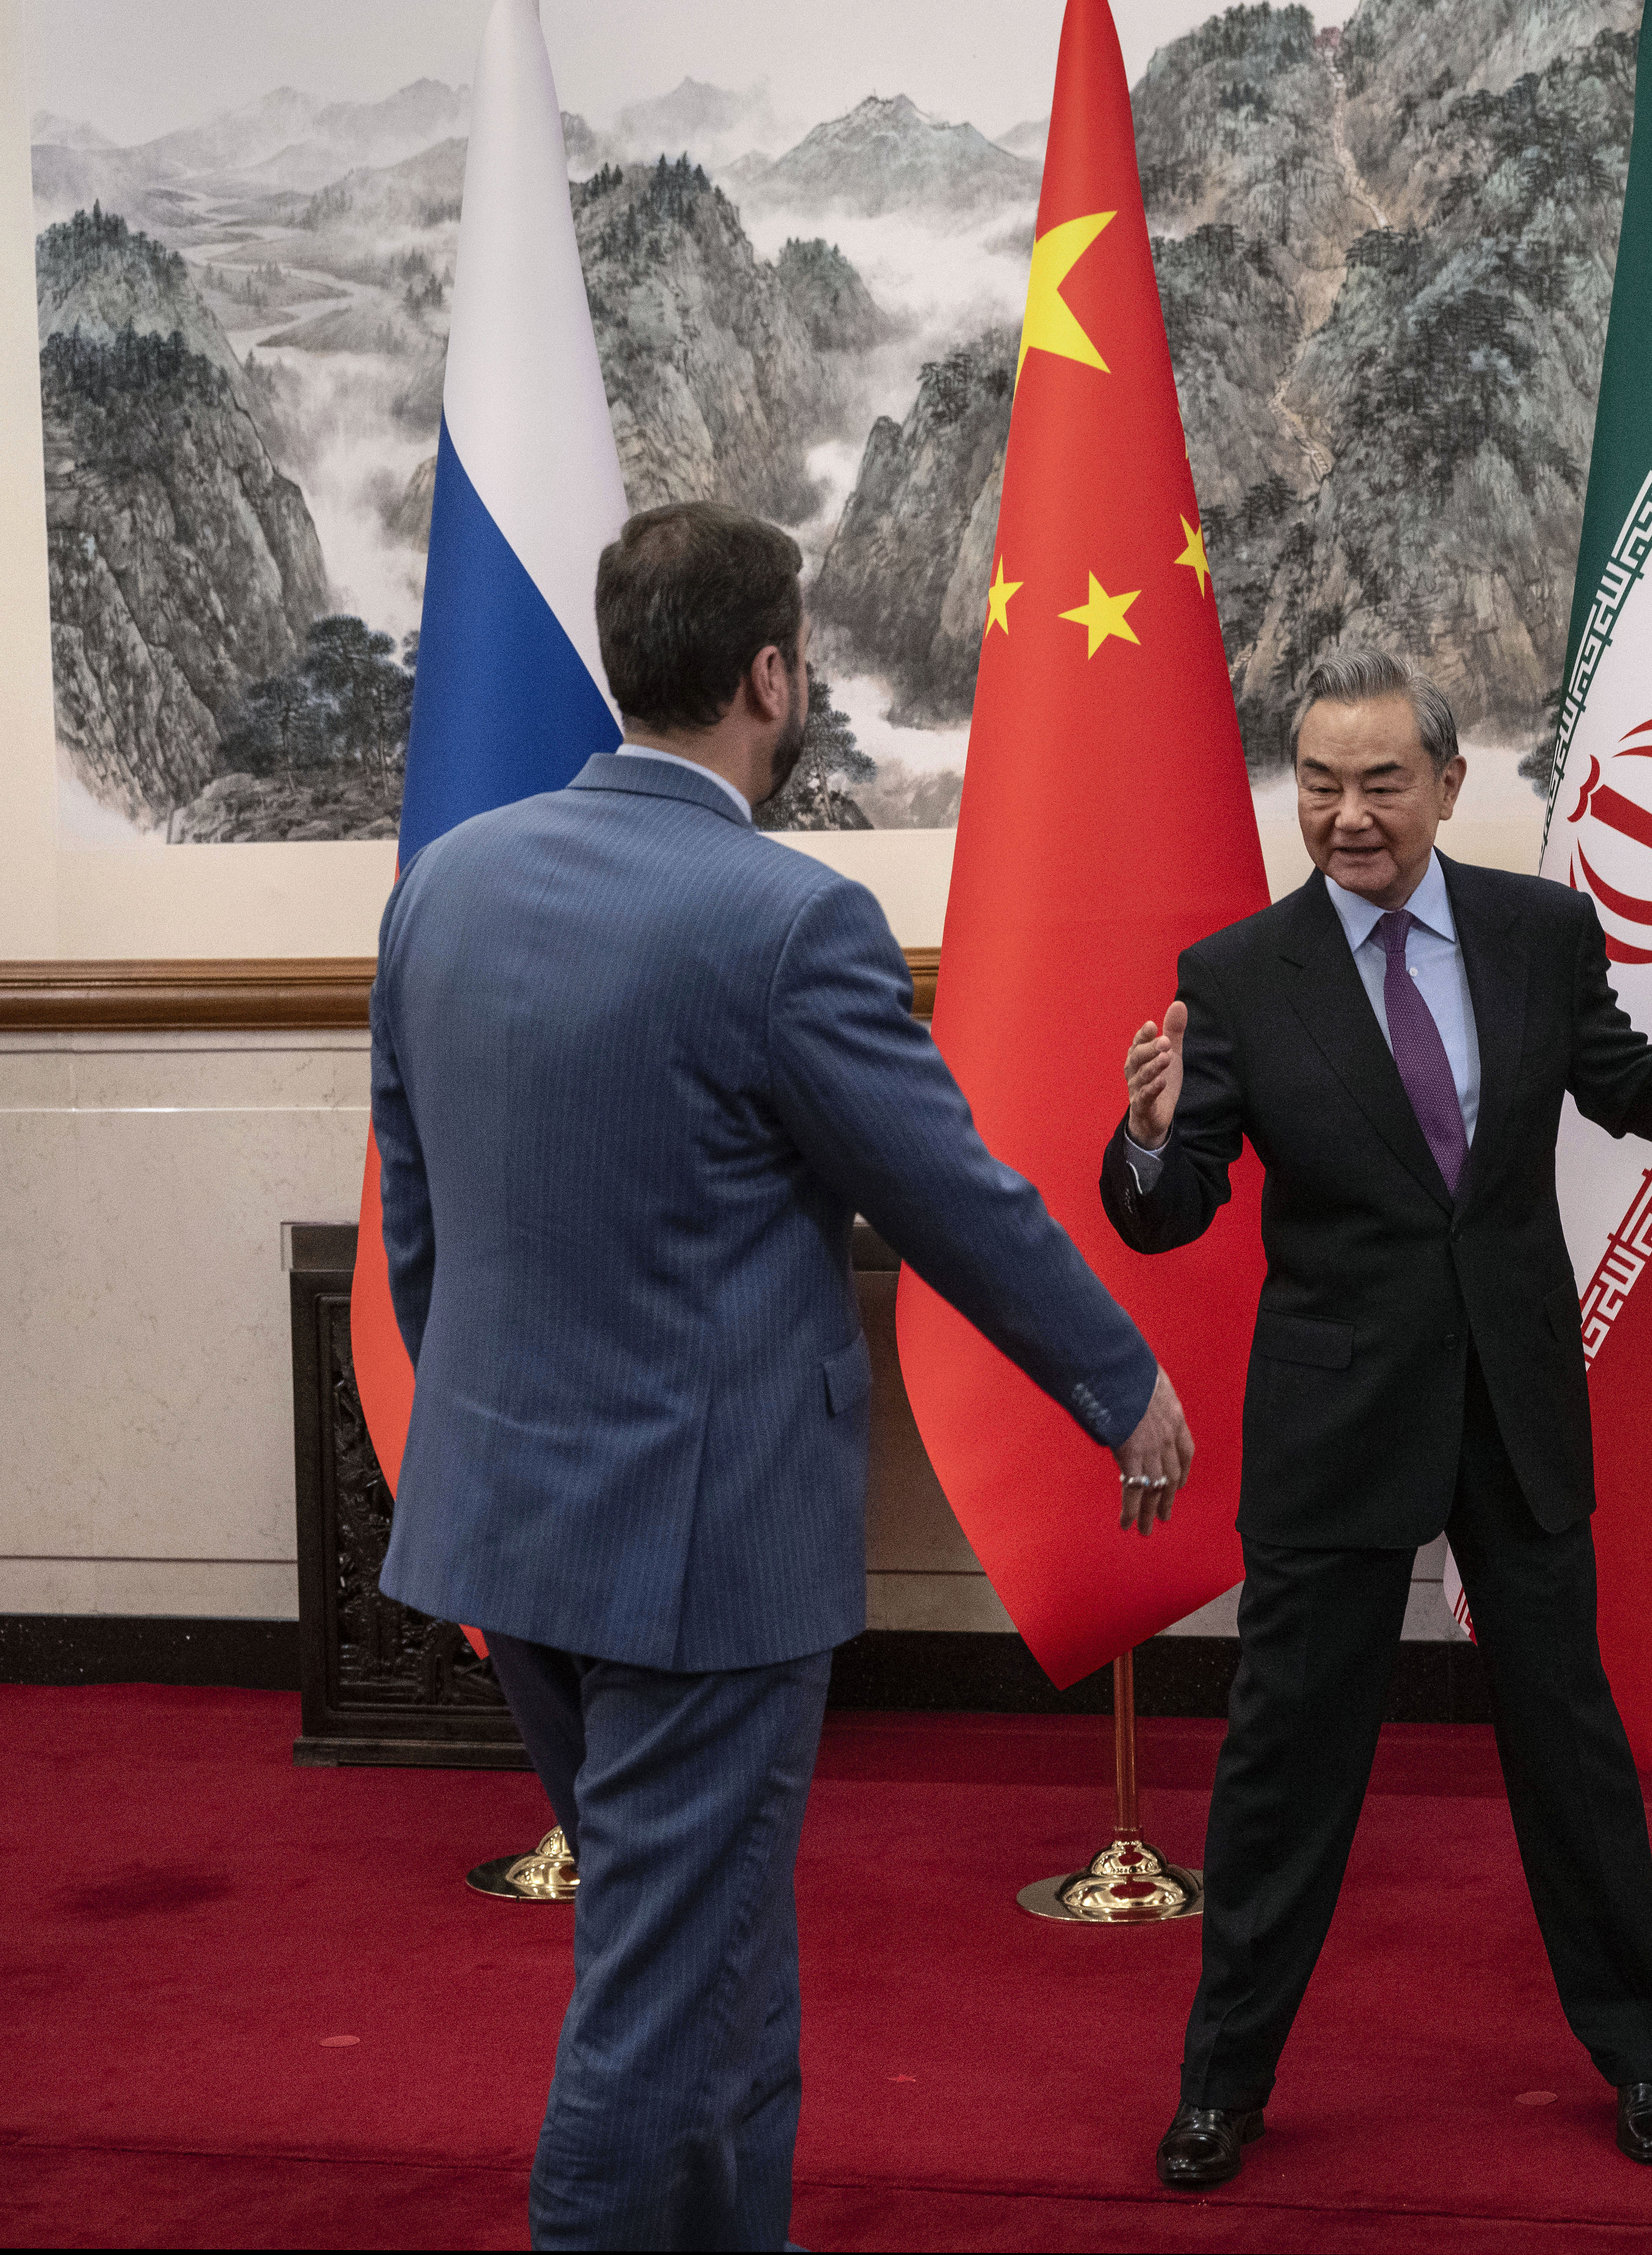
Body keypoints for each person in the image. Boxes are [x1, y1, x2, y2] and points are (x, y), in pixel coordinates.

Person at [372, 501, 1194, 2252]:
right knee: (664, 1991)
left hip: (506, 1525)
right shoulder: (789, 921)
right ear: (770, 673)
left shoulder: (445, 882)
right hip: (701, 1556)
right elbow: (951, 1198)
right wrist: (1118, 1376)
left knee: (710, 1948)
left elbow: (418, 1222)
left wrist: (501, 1440)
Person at [1100, 646, 1652, 2188]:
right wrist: (1148, 1137)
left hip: (1513, 1397)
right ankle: (1222, 2081)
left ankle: (1647, 2057)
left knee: (1571, 1745)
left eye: (1380, 783)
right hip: (1338, 1419)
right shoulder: (1238, 974)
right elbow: (1169, 1211)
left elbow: (1623, 1077)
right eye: (1317, 785)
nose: (1347, 816)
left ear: (1447, 782)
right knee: (1285, 1764)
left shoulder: (1537, 931)